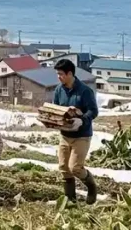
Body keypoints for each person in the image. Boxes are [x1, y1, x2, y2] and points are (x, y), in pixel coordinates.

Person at [52, 59, 99, 204]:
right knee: (64, 168)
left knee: (75, 168)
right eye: (57, 74)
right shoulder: (59, 90)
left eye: (60, 74)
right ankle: (71, 200)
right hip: (65, 134)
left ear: (69, 73)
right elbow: (55, 108)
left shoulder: (85, 91)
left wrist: (82, 119)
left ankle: (92, 187)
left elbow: (93, 111)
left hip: (81, 135)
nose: (58, 77)